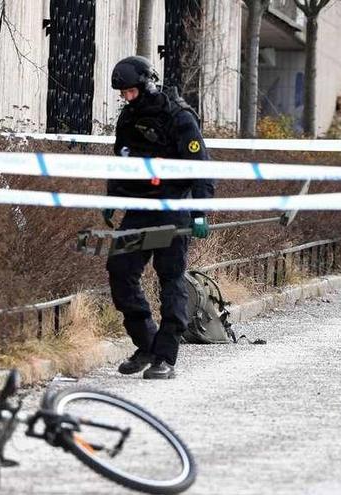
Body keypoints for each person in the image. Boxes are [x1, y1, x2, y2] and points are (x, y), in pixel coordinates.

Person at [103, 56, 215, 380]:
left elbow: (201, 168)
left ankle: (166, 356)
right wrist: (112, 199)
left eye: (131, 92)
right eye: (123, 93)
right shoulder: (127, 118)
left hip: (171, 207)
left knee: (170, 279)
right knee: (119, 270)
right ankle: (146, 343)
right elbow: (121, 162)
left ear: (147, 84)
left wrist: (199, 212)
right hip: (138, 208)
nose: (126, 98)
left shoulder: (179, 117)